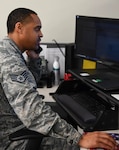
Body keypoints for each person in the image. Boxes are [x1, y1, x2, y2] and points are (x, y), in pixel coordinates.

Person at [0, 8, 117, 150]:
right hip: (12, 139)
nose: (41, 34)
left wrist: (34, 60)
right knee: (86, 147)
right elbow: (33, 113)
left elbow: (28, 84)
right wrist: (79, 139)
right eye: (37, 29)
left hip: (17, 126)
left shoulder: (8, 51)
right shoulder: (10, 61)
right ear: (19, 27)